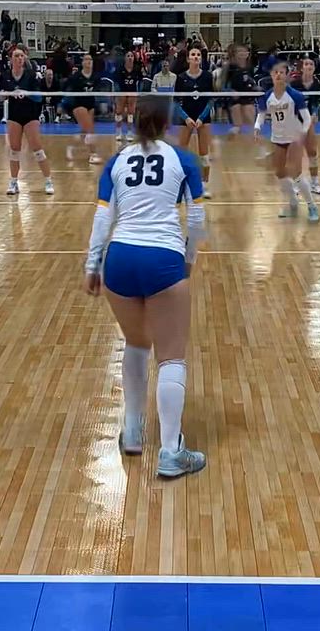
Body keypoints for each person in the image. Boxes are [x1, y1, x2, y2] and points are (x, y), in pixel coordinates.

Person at [83, 94, 207, 478]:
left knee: (136, 343)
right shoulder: (184, 160)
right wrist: (188, 259)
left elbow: (102, 219)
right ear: (168, 122)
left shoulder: (116, 161)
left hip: (119, 259)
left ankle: (133, 431)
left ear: (134, 120)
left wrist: (92, 264)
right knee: (171, 357)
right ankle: (171, 451)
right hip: (162, 259)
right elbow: (197, 219)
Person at [256, 61, 319, 223]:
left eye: (281, 72)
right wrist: (257, 127)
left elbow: (306, 119)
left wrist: (302, 134)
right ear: (271, 75)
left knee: (295, 172)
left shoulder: (295, 95)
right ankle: (293, 203)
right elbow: (261, 114)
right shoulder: (267, 96)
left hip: (294, 138)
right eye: (275, 72)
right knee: (279, 172)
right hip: (278, 138)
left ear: (287, 75)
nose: (278, 75)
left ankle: (312, 206)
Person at [0, 45, 54, 196]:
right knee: (14, 150)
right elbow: (1, 96)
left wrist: (25, 92)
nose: (19, 58)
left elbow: (39, 97)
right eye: (16, 56)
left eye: (21, 56)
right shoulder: (5, 76)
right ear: (11, 59)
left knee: (37, 149)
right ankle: (13, 182)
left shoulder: (31, 75)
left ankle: (48, 181)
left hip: (30, 115)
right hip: (14, 115)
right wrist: (9, 93)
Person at [173, 47, 215, 197]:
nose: (196, 57)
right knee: (182, 151)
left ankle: (204, 185)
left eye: (198, 55)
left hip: (203, 118)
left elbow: (211, 100)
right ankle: (181, 183)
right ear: (188, 59)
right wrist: (186, 118)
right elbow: (175, 102)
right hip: (186, 117)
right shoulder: (180, 77)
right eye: (193, 54)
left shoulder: (208, 76)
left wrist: (201, 118)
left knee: (204, 153)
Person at [290, 56, 320, 195]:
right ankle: (295, 184)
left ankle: (315, 184)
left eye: (311, 64)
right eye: (306, 64)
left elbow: (316, 102)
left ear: (314, 68)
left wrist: (314, 113)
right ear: (302, 67)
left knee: (312, 152)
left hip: (308, 121)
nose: (309, 66)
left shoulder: (317, 84)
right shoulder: (294, 84)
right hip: (295, 121)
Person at [62, 55, 103, 163]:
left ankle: (70, 147)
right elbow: (65, 86)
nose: (89, 61)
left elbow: (98, 90)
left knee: (84, 131)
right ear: (82, 62)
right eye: (86, 59)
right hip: (78, 104)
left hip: (91, 105)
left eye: (90, 59)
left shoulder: (95, 77)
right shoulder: (76, 77)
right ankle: (93, 154)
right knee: (90, 130)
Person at [225, 45, 258, 136]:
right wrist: (231, 91)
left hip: (247, 98)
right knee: (237, 124)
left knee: (250, 120)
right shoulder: (229, 67)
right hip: (235, 99)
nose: (242, 54)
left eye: (245, 52)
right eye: (240, 51)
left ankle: (251, 139)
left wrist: (254, 88)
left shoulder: (250, 67)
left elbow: (251, 81)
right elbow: (221, 85)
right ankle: (235, 133)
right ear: (235, 54)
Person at [114, 50, 144, 142]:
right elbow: (116, 81)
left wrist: (139, 92)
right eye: (128, 56)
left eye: (131, 56)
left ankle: (129, 132)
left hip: (132, 92)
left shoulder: (137, 69)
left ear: (134, 58)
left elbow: (141, 80)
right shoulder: (120, 69)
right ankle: (118, 131)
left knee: (131, 112)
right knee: (119, 111)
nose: (130, 57)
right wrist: (117, 92)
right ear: (125, 58)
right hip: (122, 92)